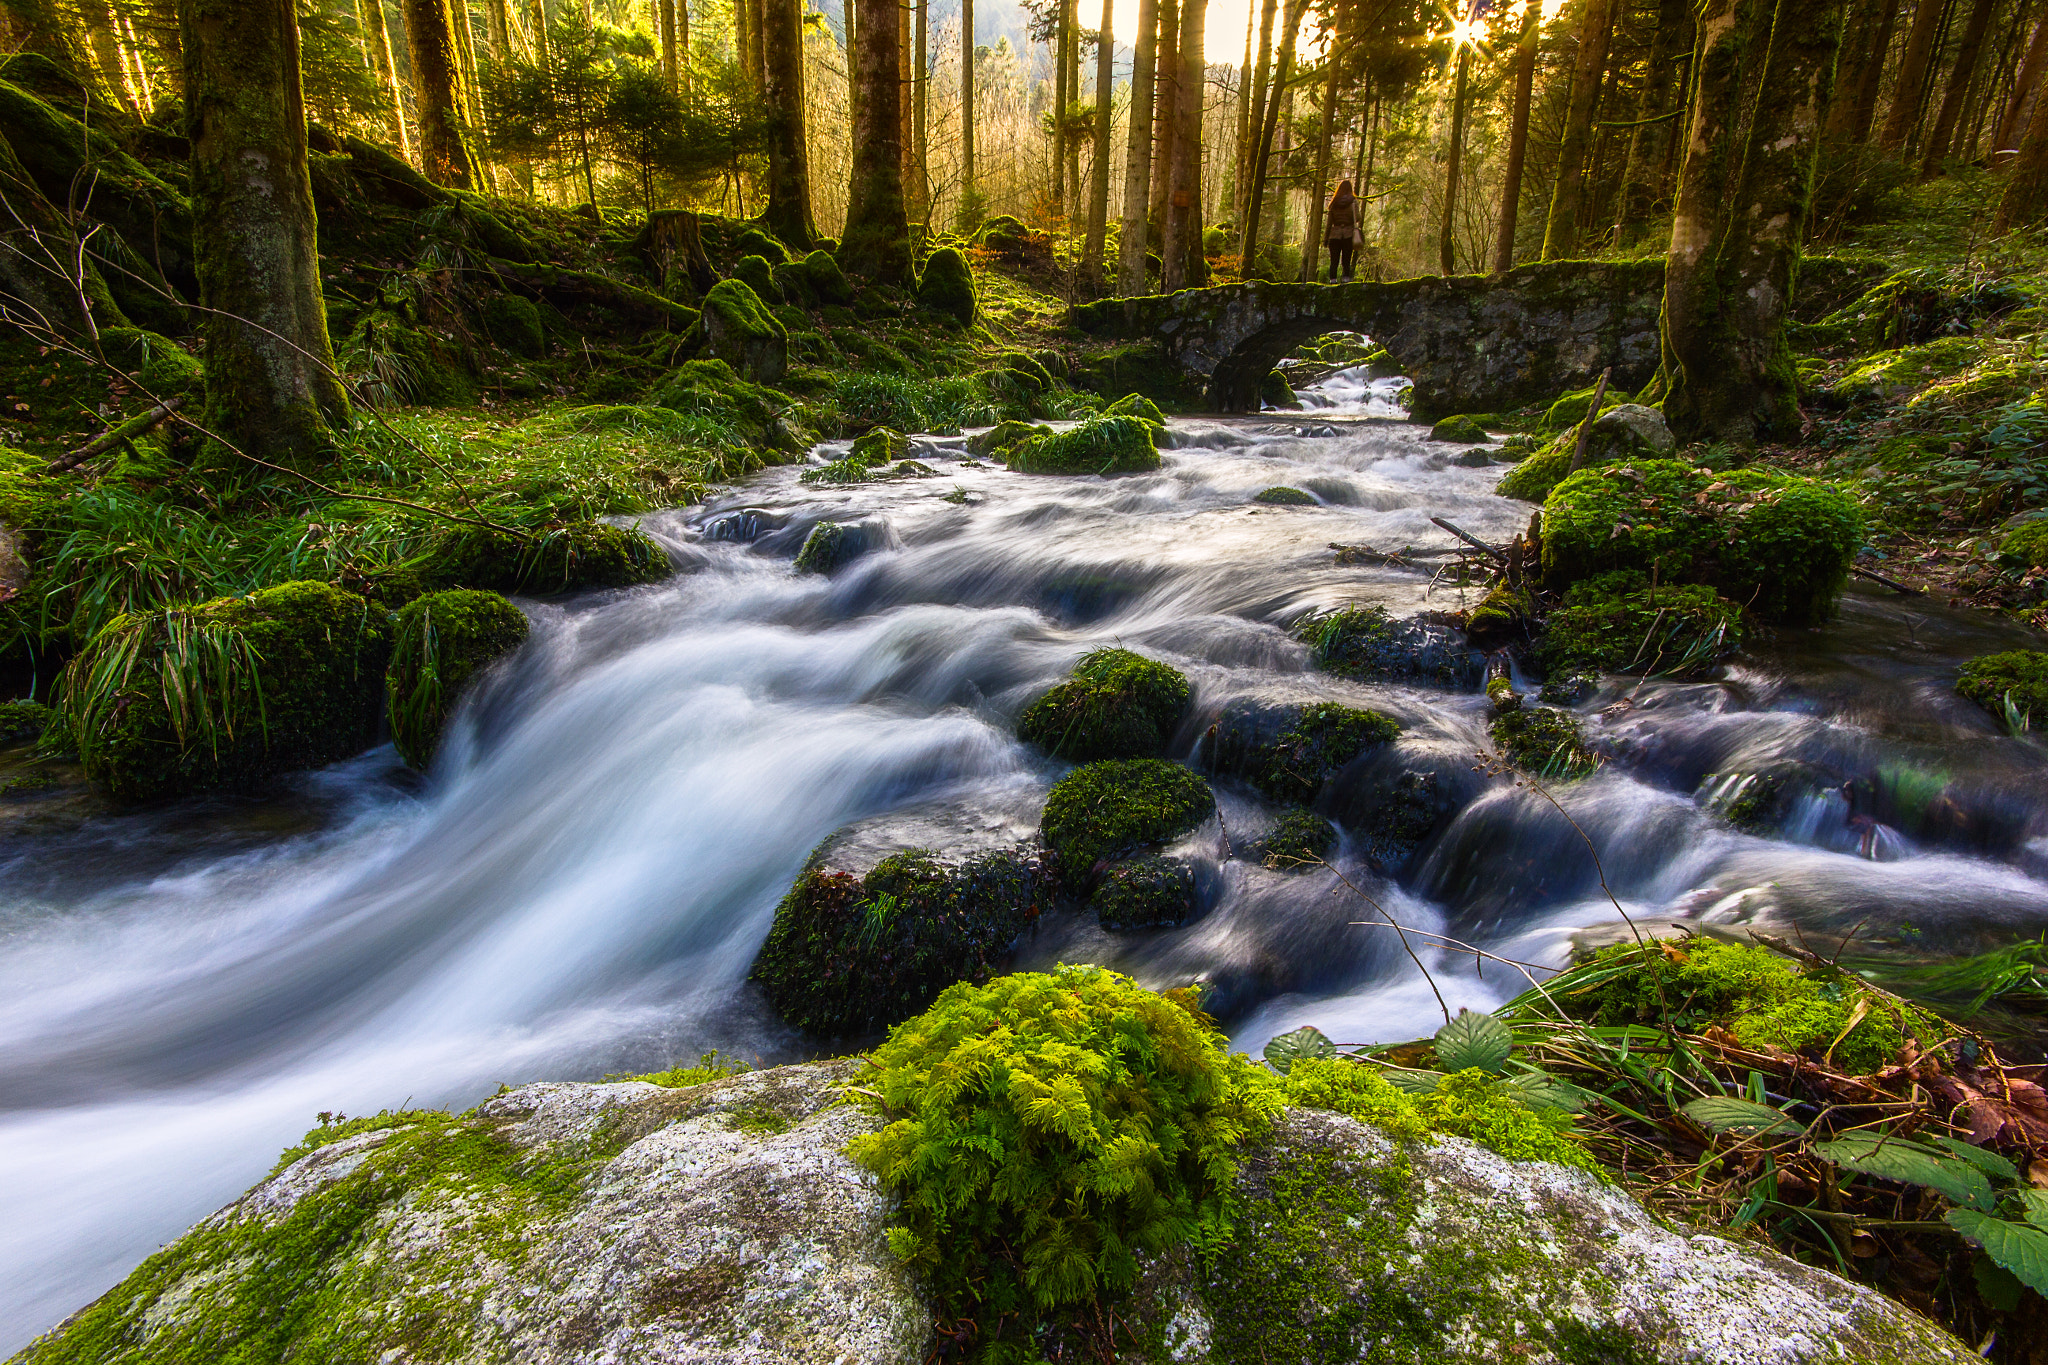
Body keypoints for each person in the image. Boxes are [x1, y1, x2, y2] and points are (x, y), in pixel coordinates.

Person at [1325, 180, 1359, 281]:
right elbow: (1358, 217)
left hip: (1334, 234)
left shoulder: (1334, 202)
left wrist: (1326, 238)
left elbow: (1329, 223)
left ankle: (1333, 281)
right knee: (1346, 260)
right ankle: (1345, 281)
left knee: (1334, 260)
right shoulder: (1353, 201)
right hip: (1348, 234)